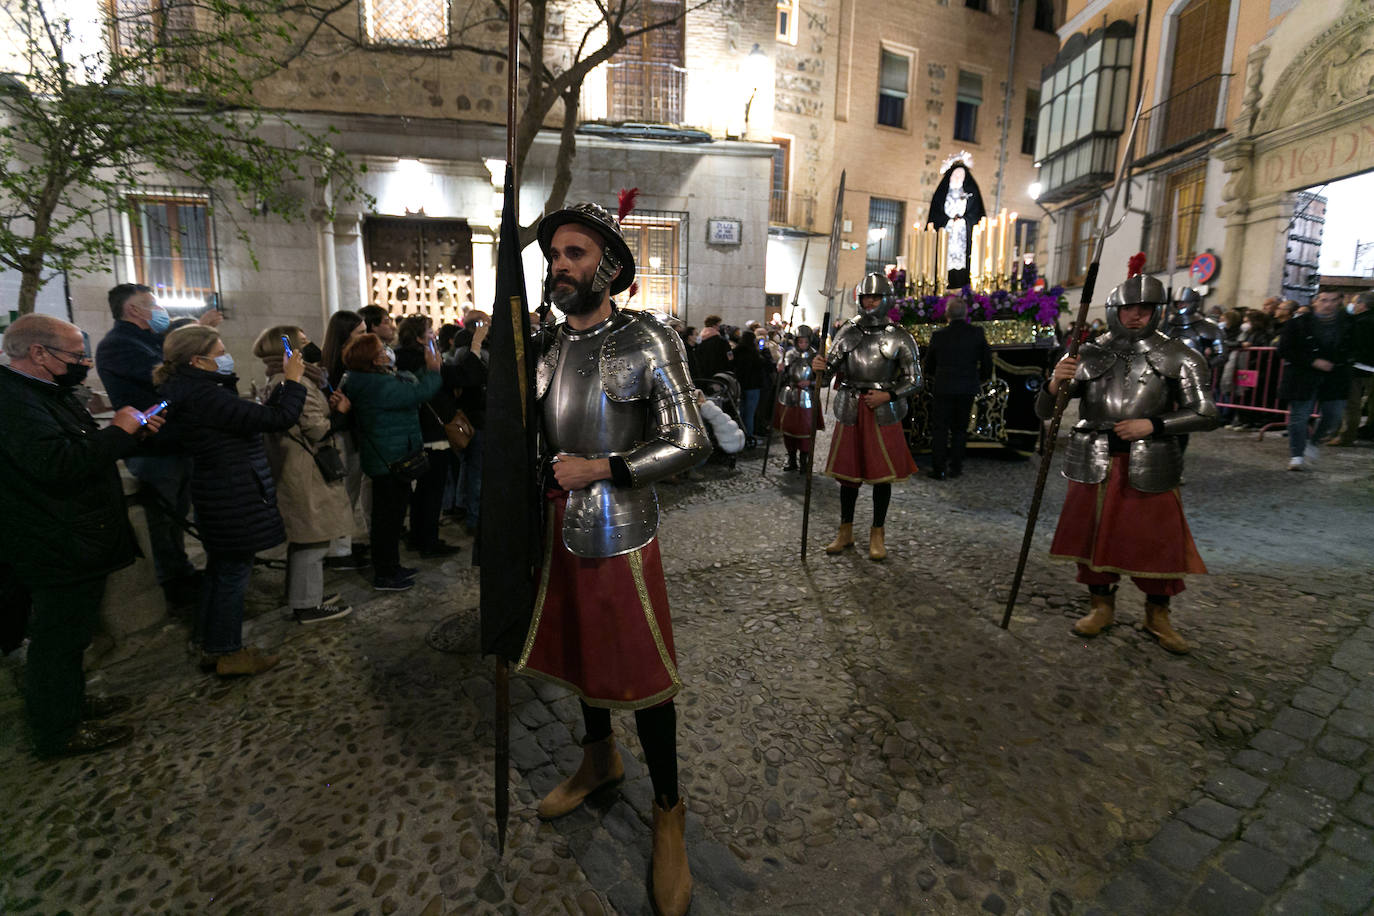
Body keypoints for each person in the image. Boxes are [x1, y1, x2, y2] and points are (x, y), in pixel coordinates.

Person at [516, 201, 708, 916]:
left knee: (643, 674)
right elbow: (536, 441)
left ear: (610, 265)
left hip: (620, 529)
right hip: (555, 525)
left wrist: (600, 470)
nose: (561, 266)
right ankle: (599, 759)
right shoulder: (545, 346)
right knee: (579, 657)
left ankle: (668, 812)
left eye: (575, 254)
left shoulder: (649, 339)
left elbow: (691, 441)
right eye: (555, 256)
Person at [0, 315, 167, 757]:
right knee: (58, 638)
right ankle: (58, 731)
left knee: (72, 634)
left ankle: (69, 705)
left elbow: (83, 449)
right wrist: (117, 432)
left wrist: (129, 437)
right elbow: (57, 463)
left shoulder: (43, 391)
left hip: (72, 535)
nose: (85, 362)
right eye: (76, 355)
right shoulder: (13, 399)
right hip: (53, 539)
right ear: (38, 353)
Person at [1038, 266, 1219, 654]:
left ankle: (1158, 615)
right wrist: (1055, 381)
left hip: (1151, 460)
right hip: (1094, 459)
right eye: (1130, 307)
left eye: (1146, 307)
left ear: (1158, 310)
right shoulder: (1087, 353)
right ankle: (1101, 605)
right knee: (1092, 540)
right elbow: (1043, 410)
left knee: (1157, 543)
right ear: (1114, 309)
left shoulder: (1180, 356)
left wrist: (1152, 424)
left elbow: (1206, 413)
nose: (1136, 314)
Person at [155, 326, 305, 675]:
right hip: (231, 492)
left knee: (222, 571)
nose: (226, 357)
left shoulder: (187, 389)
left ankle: (209, 642)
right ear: (197, 360)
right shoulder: (205, 395)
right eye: (219, 351)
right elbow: (278, 419)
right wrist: (292, 381)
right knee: (234, 574)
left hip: (219, 489)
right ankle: (228, 650)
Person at [95, 283, 219, 608]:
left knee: (177, 515)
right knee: (162, 521)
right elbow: (165, 377)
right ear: (132, 309)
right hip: (153, 448)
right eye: (151, 302)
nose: (159, 308)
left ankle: (182, 571)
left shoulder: (148, 340)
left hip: (174, 443)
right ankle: (172, 583)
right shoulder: (119, 345)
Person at [811, 272, 922, 561]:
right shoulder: (847, 332)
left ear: (887, 300)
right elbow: (827, 376)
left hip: (882, 410)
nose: (869, 302)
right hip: (850, 407)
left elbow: (916, 379)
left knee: (881, 477)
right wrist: (818, 366)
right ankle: (845, 531)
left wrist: (888, 395)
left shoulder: (899, 336)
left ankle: (877, 533)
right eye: (865, 297)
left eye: (875, 297)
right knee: (848, 476)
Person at [254, 326, 354, 624]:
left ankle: (304, 596)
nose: (310, 345)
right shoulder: (294, 382)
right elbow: (317, 428)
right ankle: (307, 605)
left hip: (299, 465)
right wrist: (341, 412)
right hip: (305, 468)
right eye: (304, 341)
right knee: (312, 538)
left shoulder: (292, 379)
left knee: (307, 536)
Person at [341, 332, 442, 589]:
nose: (387, 352)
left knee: (394, 517)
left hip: (391, 454)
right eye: (381, 350)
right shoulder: (374, 385)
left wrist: (424, 370)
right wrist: (433, 371)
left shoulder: (372, 378)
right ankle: (384, 574)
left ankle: (392, 566)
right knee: (387, 519)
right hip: (389, 458)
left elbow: (408, 383)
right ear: (372, 360)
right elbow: (415, 393)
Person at [394, 315, 462, 558]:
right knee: (433, 490)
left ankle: (417, 536)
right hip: (432, 431)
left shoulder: (400, 358)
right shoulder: (426, 359)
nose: (433, 333)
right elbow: (445, 381)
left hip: (415, 432)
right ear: (419, 336)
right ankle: (429, 541)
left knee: (420, 491)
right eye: (429, 330)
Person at [319, 309, 371, 570]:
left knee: (349, 492)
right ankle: (338, 551)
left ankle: (343, 545)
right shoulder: (338, 367)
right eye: (360, 333)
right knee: (343, 494)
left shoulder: (342, 362)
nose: (366, 337)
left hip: (351, 434)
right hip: (343, 436)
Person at [1279, 289, 1353, 470]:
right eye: (1324, 300)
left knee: (1333, 415)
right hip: (1303, 376)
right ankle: (1297, 455)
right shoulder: (1298, 323)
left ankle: (1314, 441)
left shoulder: (1349, 324)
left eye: (1333, 300)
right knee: (1299, 416)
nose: (1328, 304)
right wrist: (1312, 361)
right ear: (1315, 301)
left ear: (1339, 301)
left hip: (1335, 375)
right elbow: (1284, 349)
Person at [923, 297, 992, 480]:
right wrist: (981, 379)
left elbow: (928, 364)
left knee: (940, 429)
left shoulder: (939, 336)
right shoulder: (976, 333)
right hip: (967, 387)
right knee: (960, 429)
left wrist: (931, 376)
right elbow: (987, 361)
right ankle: (956, 467)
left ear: (947, 314)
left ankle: (939, 469)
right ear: (966, 313)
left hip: (943, 387)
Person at [773, 325, 823, 472]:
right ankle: (791, 459)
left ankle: (804, 461)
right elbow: (780, 379)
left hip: (808, 397)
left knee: (806, 431)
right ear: (796, 341)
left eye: (805, 342)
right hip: (790, 396)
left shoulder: (815, 356)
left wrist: (811, 382)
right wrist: (780, 370)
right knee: (788, 430)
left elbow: (824, 379)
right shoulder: (788, 355)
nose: (803, 345)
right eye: (800, 342)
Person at [1334, 291, 1373, 446]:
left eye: (1356, 302)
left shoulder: (1358, 322)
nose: (1353, 305)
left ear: (1362, 305)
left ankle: (1347, 436)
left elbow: (1351, 344)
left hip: (1357, 366)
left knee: (1352, 404)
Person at [732, 325, 768, 448]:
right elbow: (762, 364)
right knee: (750, 413)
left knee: (742, 411)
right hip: (753, 386)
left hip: (741, 385)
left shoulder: (736, 351)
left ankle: (742, 434)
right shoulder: (753, 352)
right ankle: (749, 436)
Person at [694, 314, 732, 379]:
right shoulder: (721, 341)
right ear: (714, 325)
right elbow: (730, 357)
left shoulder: (699, 339)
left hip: (703, 372)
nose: (719, 328)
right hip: (719, 372)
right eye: (719, 325)